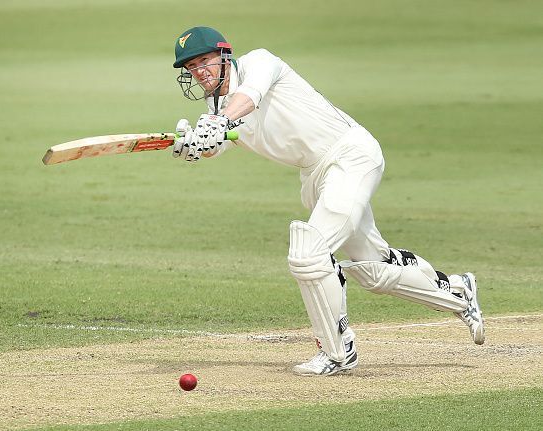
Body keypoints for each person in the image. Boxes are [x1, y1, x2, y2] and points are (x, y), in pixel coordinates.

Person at [170, 26, 485, 376]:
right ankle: (459, 292)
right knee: (374, 270)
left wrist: (219, 121)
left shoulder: (259, 63)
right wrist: (193, 147)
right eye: (191, 67)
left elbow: (250, 98)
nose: (199, 71)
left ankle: (337, 353)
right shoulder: (217, 107)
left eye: (205, 61)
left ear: (225, 56)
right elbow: (217, 143)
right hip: (316, 176)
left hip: (349, 156)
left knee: (309, 254)